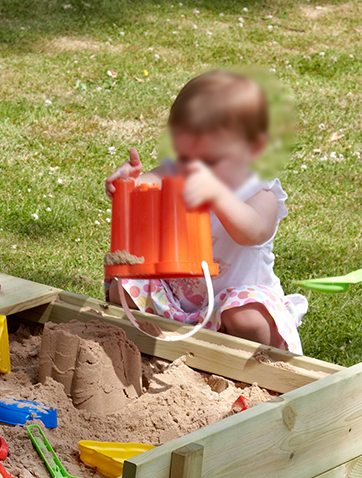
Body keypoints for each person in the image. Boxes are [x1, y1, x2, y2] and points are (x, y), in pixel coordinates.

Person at [104, 70, 307, 353]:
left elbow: (252, 232)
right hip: (179, 301)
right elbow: (146, 187)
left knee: (247, 317)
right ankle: (143, 347)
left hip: (234, 301)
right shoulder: (178, 174)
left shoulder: (261, 193)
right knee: (123, 286)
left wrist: (217, 195)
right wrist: (128, 184)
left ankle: (258, 364)